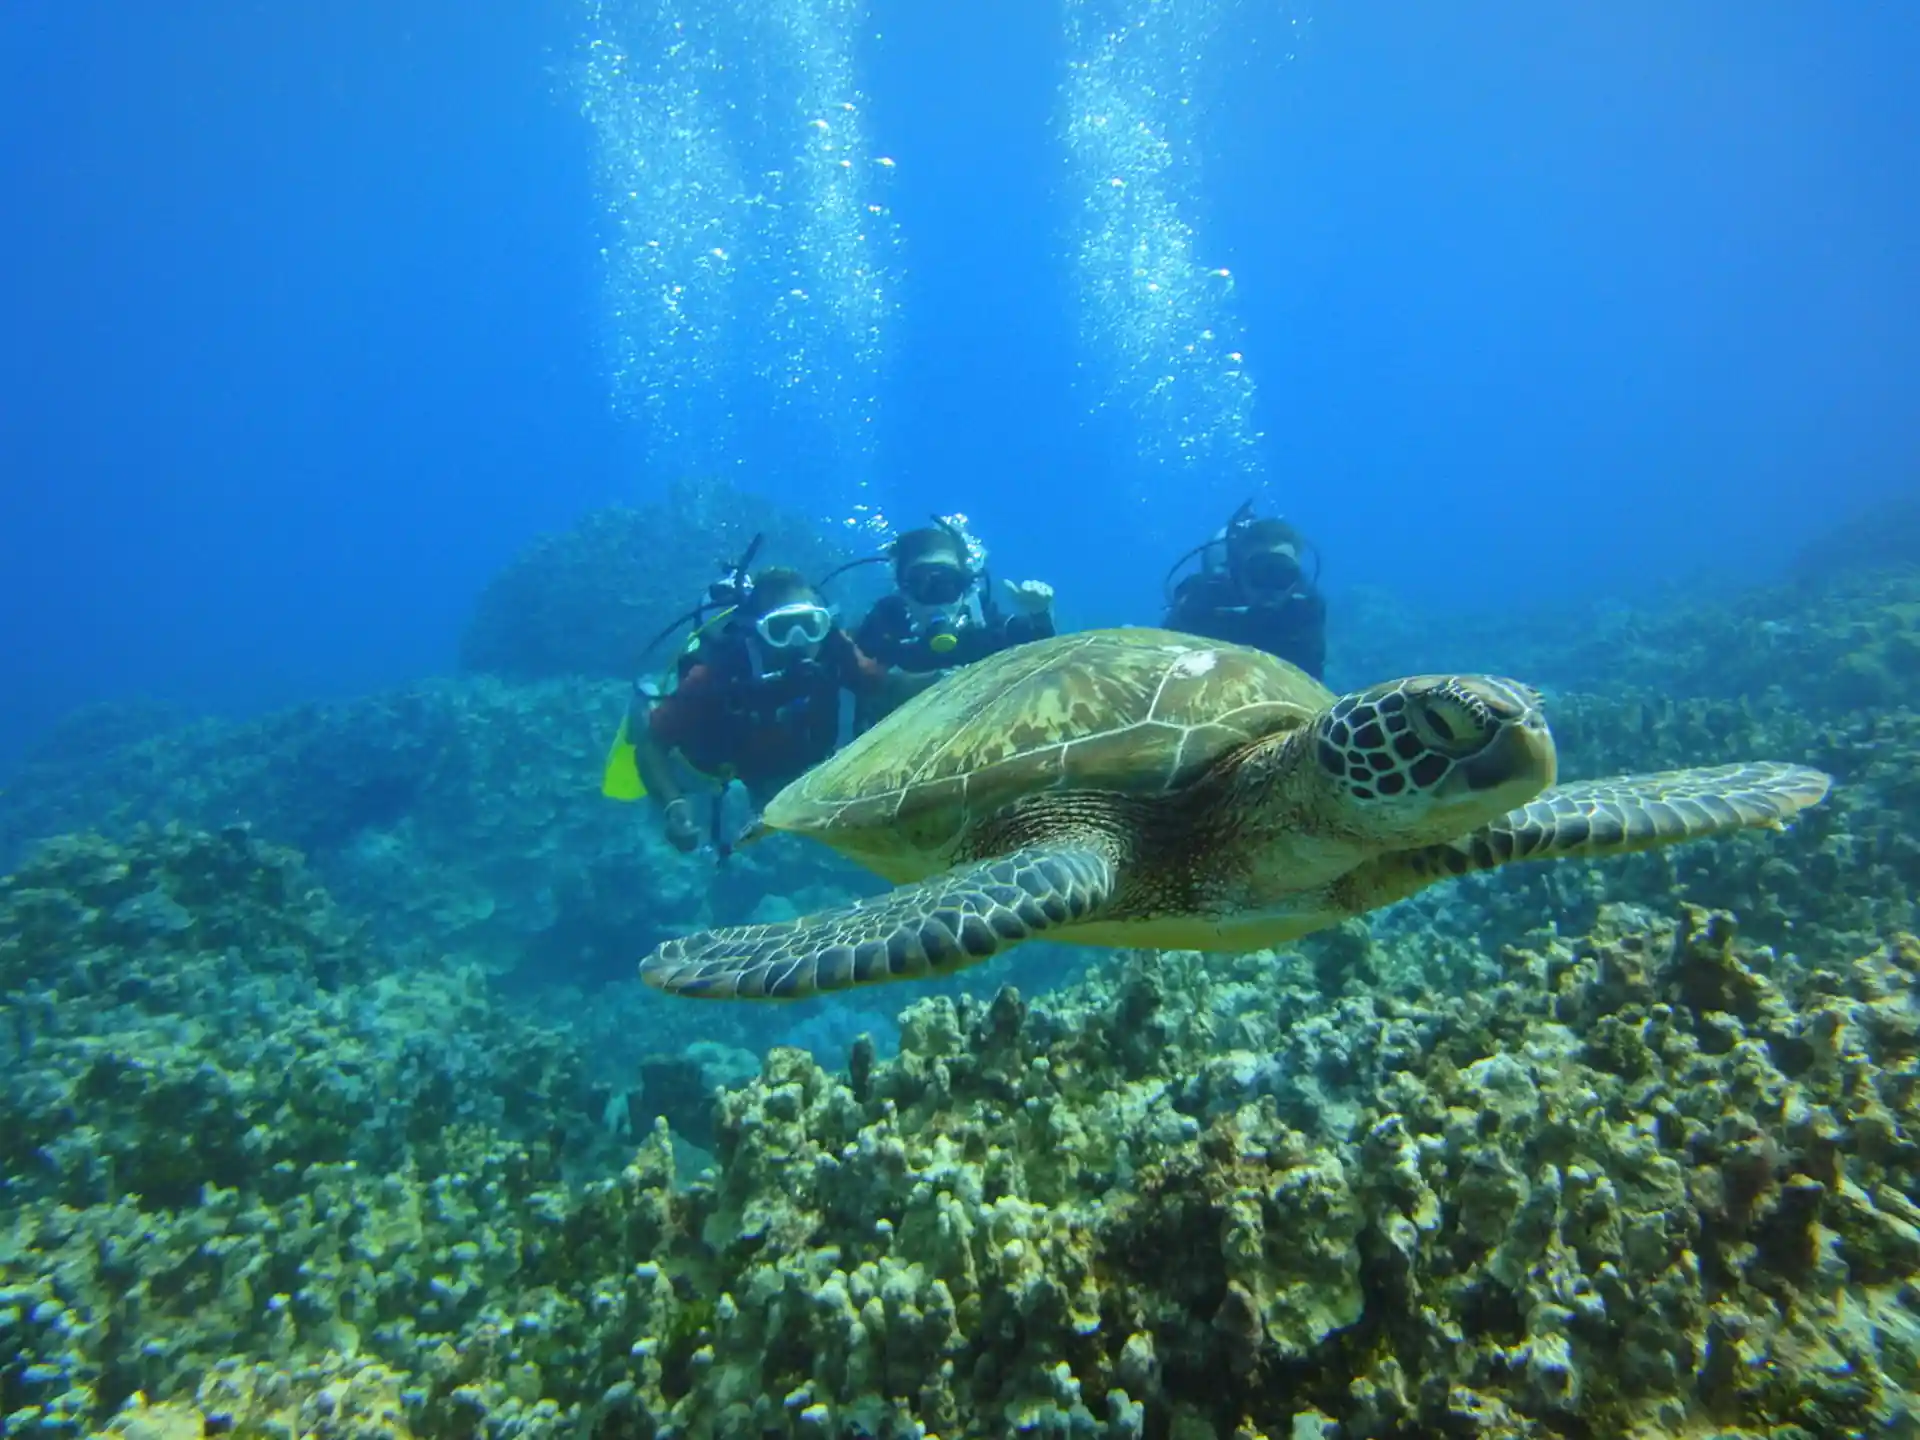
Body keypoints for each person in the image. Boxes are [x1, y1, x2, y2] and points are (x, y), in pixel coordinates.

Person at [618, 566, 905, 854]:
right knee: (678, 767)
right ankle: (648, 704)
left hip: (790, 766)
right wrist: (673, 804)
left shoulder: (838, 651)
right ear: (757, 631)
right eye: (781, 629)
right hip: (720, 769)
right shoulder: (718, 674)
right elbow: (653, 744)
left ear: (826, 624)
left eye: (810, 625)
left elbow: (887, 686)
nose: (799, 641)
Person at [853, 518, 1057, 676]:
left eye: (947, 585)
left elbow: (1044, 652)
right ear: (902, 589)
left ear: (966, 587)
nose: (936, 600)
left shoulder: (984, 625)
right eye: (921, 584)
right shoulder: (884, 625)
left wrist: (1039, 613)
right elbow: (854, 676)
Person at [1162, 502, 1327, 679]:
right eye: (1260, 572)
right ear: (1238, 571)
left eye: (1283, 574)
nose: (1270, 587)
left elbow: (1310, 676)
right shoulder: (1202, 600)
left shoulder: (1305, 611)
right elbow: (1164, 656)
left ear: (1296, 578)